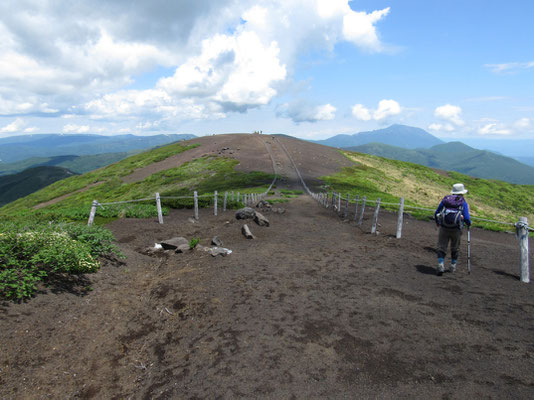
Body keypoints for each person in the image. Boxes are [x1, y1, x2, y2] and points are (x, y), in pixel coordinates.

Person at [434, 183, 471, 276]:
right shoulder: (463, 202)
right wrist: (469, 224)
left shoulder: (446, 200)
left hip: (444, 227)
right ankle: (453, 265)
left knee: (442, 246)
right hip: (456, 229)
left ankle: (440, 263)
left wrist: (438, 222)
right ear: (462, 193)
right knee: (455, 247)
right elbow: (466, 217)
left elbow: (437, 212)